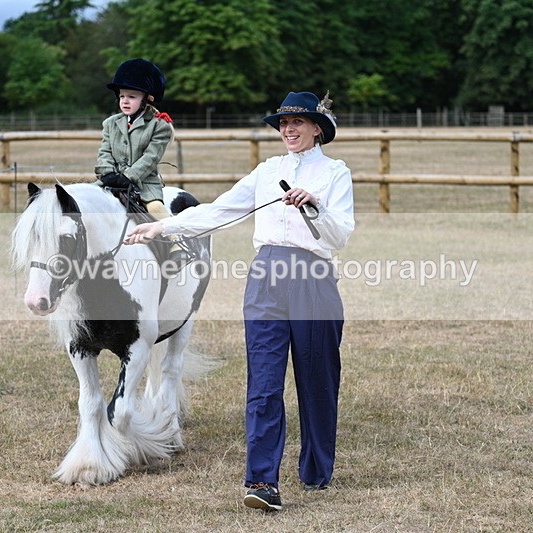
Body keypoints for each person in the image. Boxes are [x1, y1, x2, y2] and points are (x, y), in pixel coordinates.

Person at [124, 91, 355, 511]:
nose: (288, 129)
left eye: (297, 123)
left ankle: (317, 470)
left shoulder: (336, 173)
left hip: (313, 279)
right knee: (264, 385)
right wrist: (164, 229)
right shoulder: (267, 171)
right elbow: (220, 210)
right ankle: (262, 481)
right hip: (265, 278)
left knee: (317, 382)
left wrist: (315, 205)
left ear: (316, 128)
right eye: (283, 123)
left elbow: (340, 234)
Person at [95, 58, 174, 221]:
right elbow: (105, 152)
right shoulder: (110, 123)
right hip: (112, 180)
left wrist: (128, 176)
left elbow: (150, 158)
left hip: (144, 184)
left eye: (131, 96)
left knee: (156, 208)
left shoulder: (159, 125)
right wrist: (107, 172)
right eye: (122, 95)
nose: (124, 100)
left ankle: (174, 241)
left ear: (148, 98)